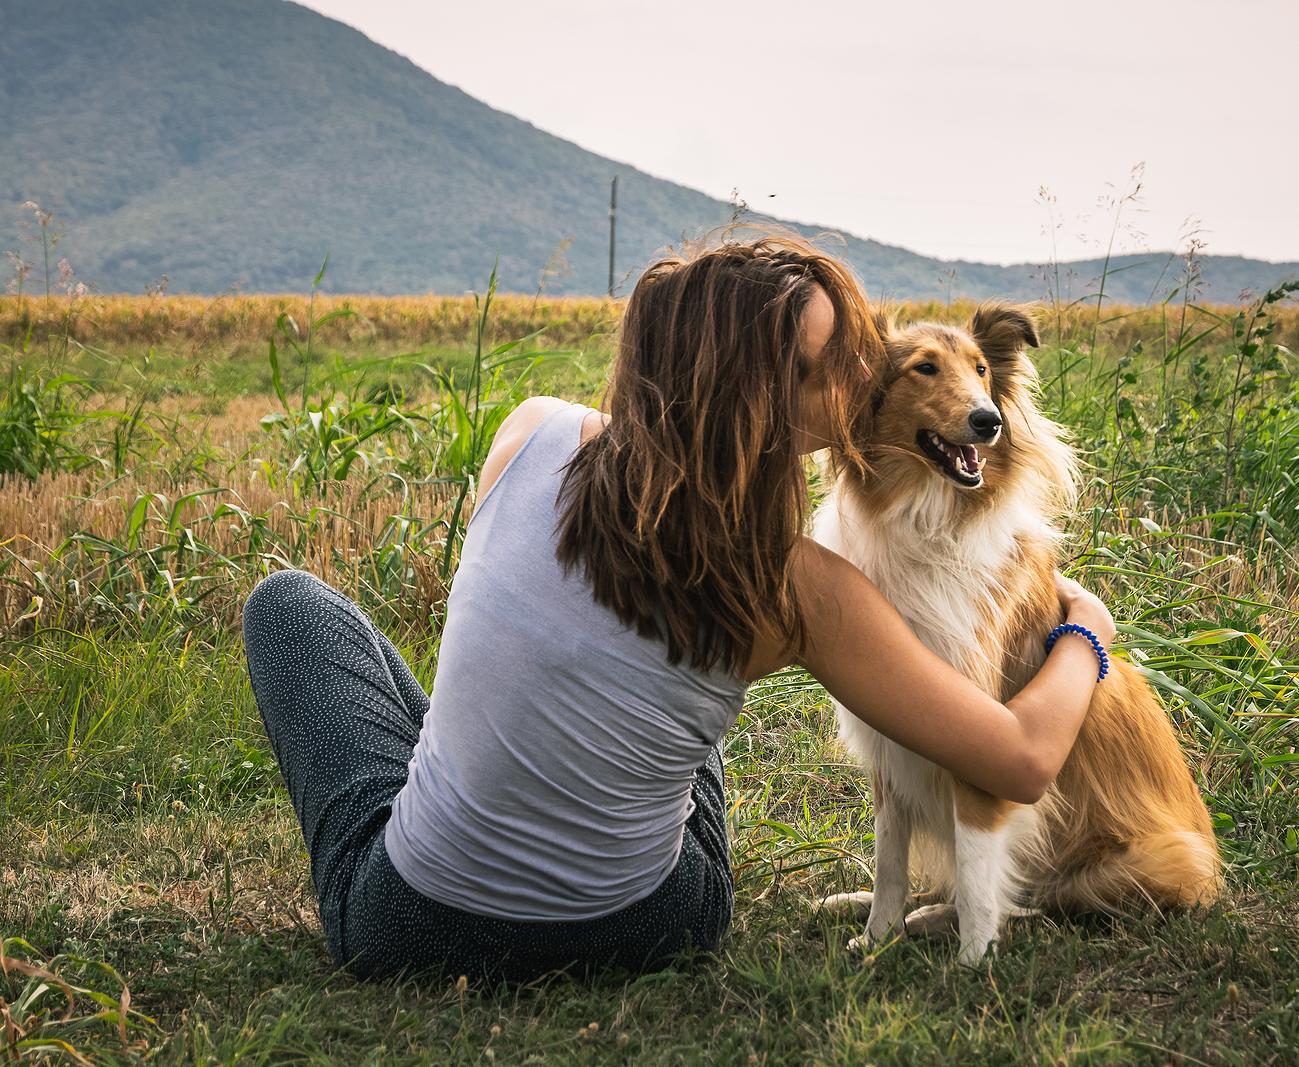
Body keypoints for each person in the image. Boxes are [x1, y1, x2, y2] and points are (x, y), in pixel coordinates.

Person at [241, 233, 1116, 982]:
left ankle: (470, 806)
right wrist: (1086, 632)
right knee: (676, 696)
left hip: (405, 934)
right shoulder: (803, 587)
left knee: (288, 602)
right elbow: (1021, 760)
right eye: (821, 369)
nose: (861, 377)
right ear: (753, 399)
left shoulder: (531, 428)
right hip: (653, 928)